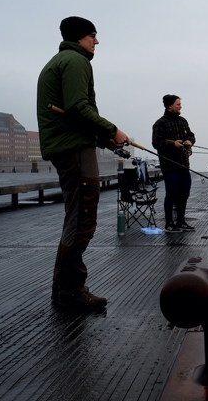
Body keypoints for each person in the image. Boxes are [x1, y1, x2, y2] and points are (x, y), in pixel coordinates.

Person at [37, 16, 129, 311]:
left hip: (71, 145)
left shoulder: (62, 60)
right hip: (73, 150)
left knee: (75, 219)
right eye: (93, 36)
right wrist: (111, 129)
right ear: (81, 38)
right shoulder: (76, 61)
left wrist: (103, 140)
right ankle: (70, 290)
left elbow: (71, 112)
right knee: (82, 220)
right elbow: (78, 107)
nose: (96, 41)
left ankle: (63, 287)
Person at [152, 94, 195, 233]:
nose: (180, 106)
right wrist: (173, 145)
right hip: (169, 165)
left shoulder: (183, 121)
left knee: (185, 192)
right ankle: (169, 224)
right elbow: (156, 142)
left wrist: (189, 141)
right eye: (178, 104)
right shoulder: (160, 123)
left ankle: (181, 221)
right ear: (170, 106)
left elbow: (191, 135)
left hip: (183, 164)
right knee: (172, 194)